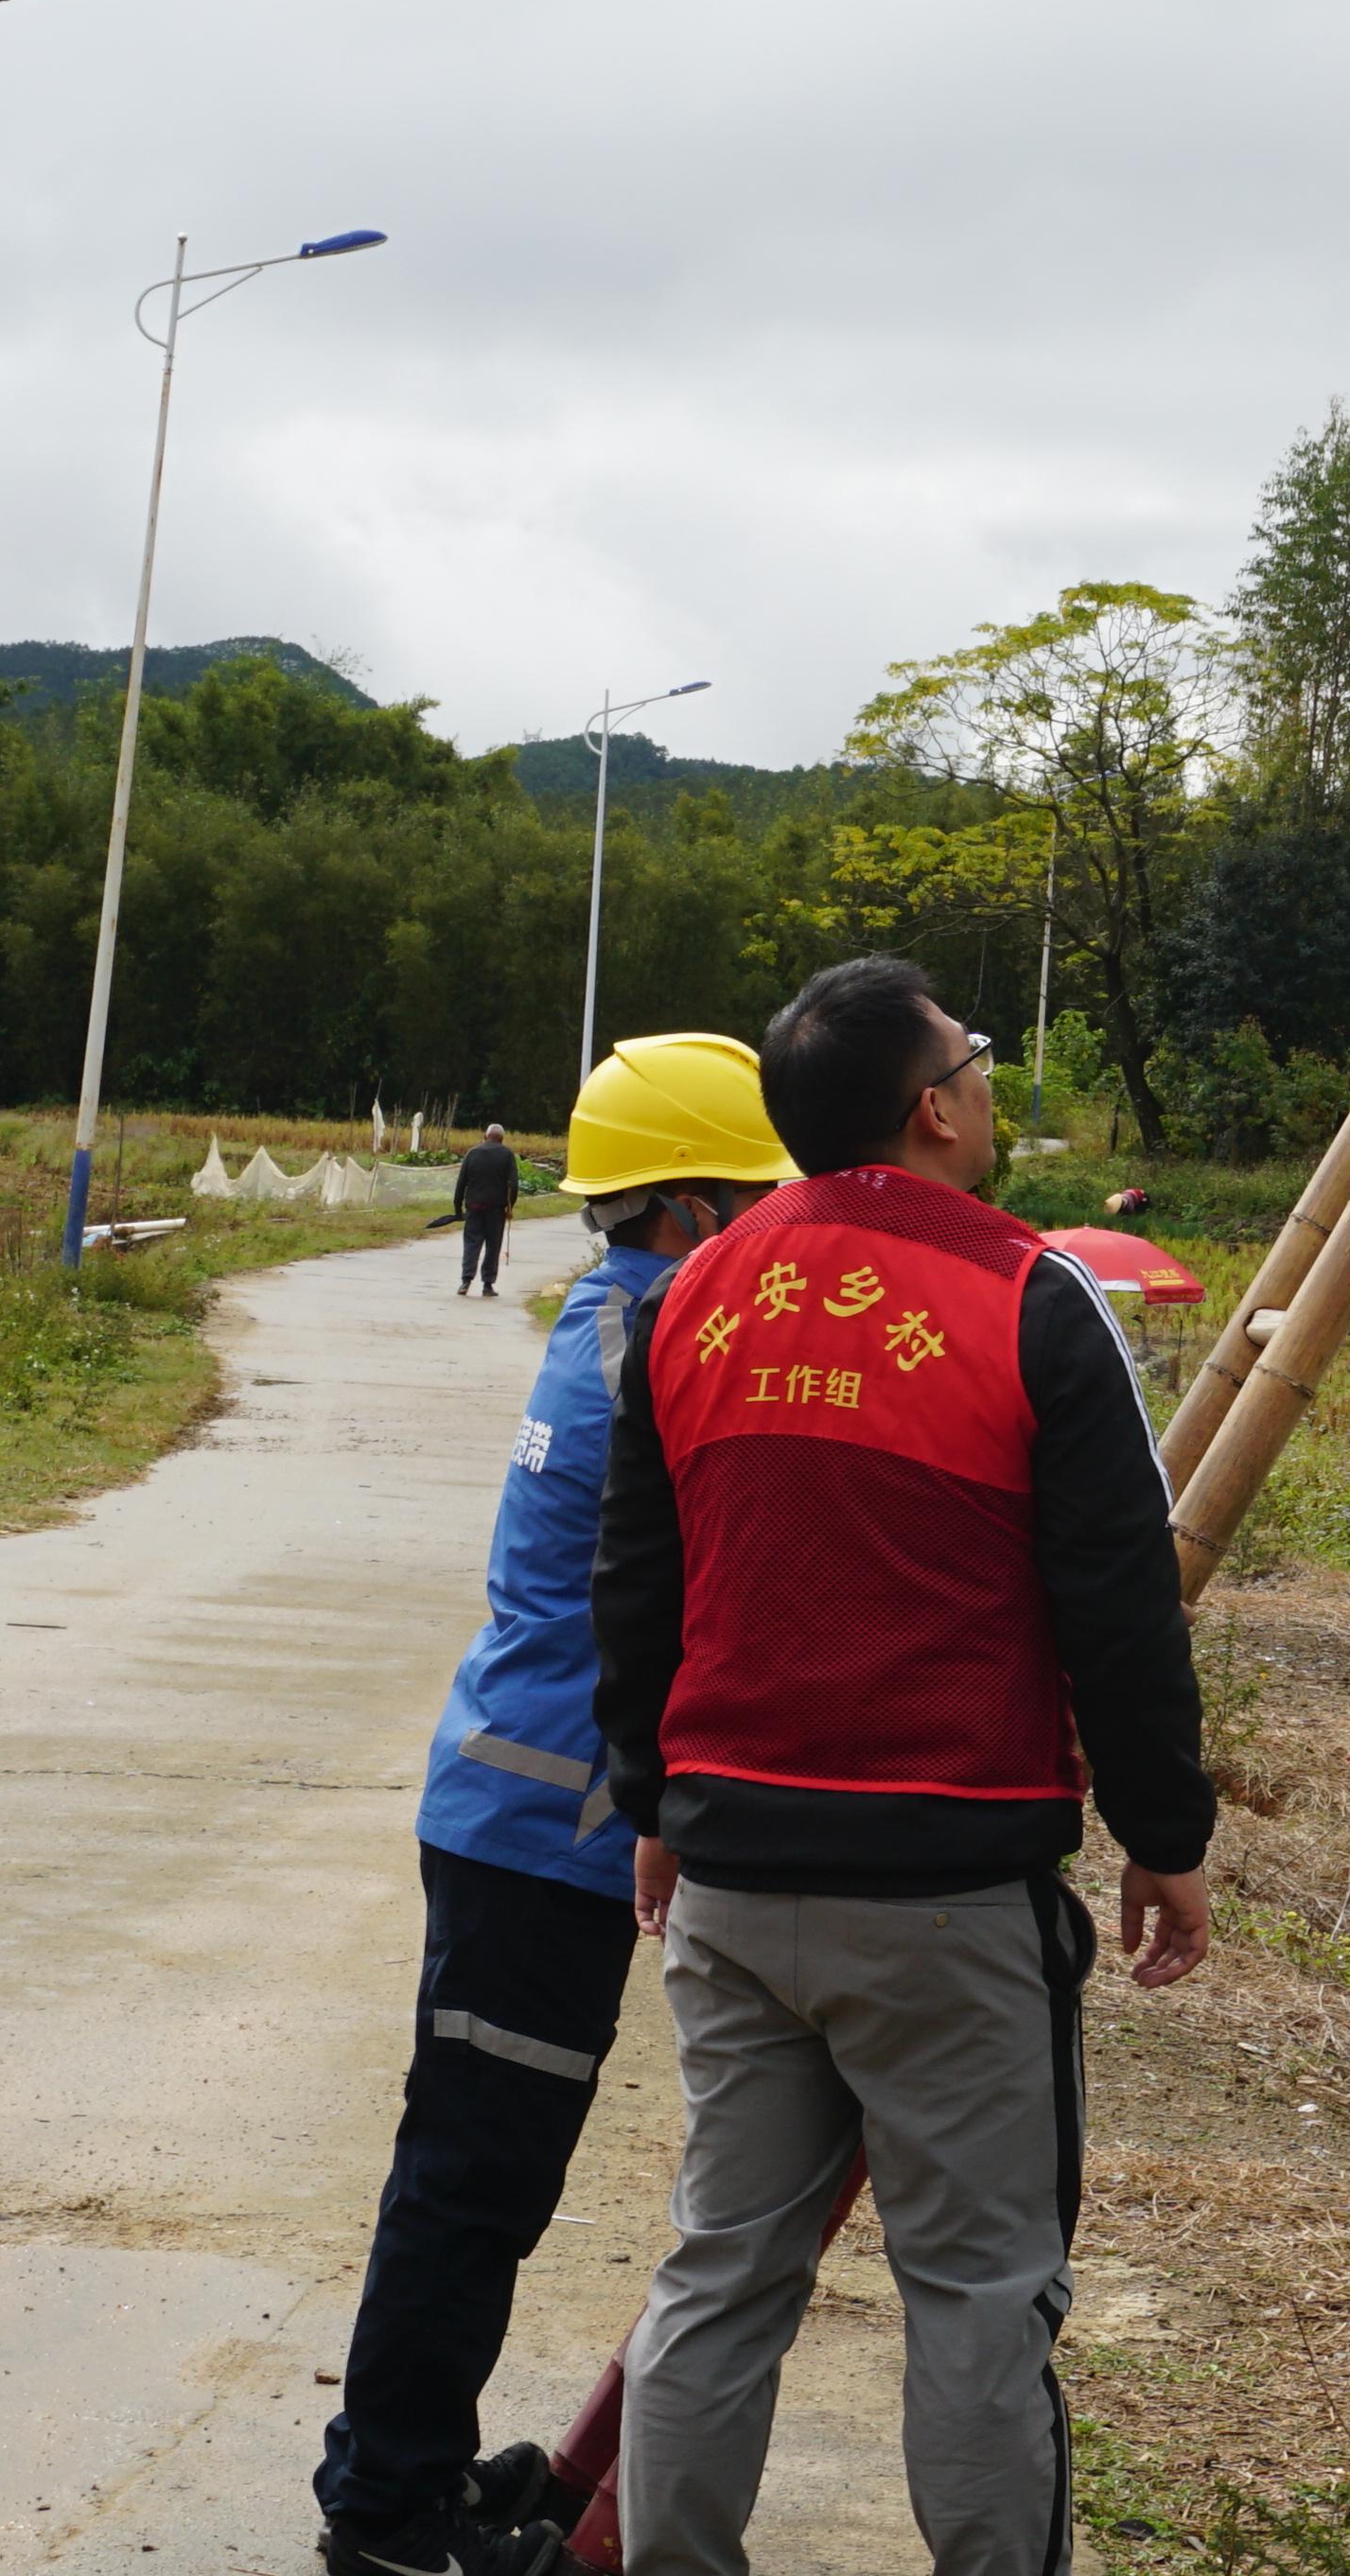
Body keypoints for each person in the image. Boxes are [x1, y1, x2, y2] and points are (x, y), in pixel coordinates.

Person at [595, 956, 1214, 2576]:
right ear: (932, 1107)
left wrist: (656, 1803)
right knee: (978, 2294)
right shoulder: (1029, 1294)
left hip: (732, 1876)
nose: (990, 1083)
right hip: (949, 1892)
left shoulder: (697, 1294)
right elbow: (1117, 1592)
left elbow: (639, 1581)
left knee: (720, 2269)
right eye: (977, 1059)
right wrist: (1165, 1830)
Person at [310, 1035, 795, 2576]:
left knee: (478, 2174)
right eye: (761, 1208)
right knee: (471, 2184)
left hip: (523, 1821)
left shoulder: (615, 1315)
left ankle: (416, 2472)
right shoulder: (665, 1346)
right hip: (544, 1836)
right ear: (697, 1211)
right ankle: (388, 2513)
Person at [448, 1118, 523, 1299]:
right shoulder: (507, 1154)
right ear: (502, 1139)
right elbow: (513, 1184)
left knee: (472, 1244)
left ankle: (466, 1281)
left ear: (485, 1136)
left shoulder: (472, 1153)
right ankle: (487, 1285)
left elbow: (461, 1184)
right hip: (495, 1209)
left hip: (474, 1206)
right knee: (493, 1245)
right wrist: (510, 1206)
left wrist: (458, 1209)